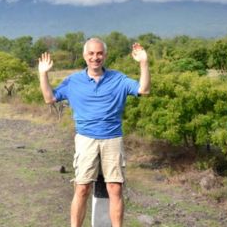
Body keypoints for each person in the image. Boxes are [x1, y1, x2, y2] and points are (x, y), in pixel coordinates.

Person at [38, 38, 150, 227]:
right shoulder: (73, 81)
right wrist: (43, 74)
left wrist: (144, 62)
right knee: (82, 188)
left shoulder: (118, 79)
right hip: (85, 139)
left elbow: (144, 90)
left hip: (112, 139)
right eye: (91, 53)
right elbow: (49, 98)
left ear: (105, 55)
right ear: (84, 56)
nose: (95, 57)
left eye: (99, 53)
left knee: (115, 188)